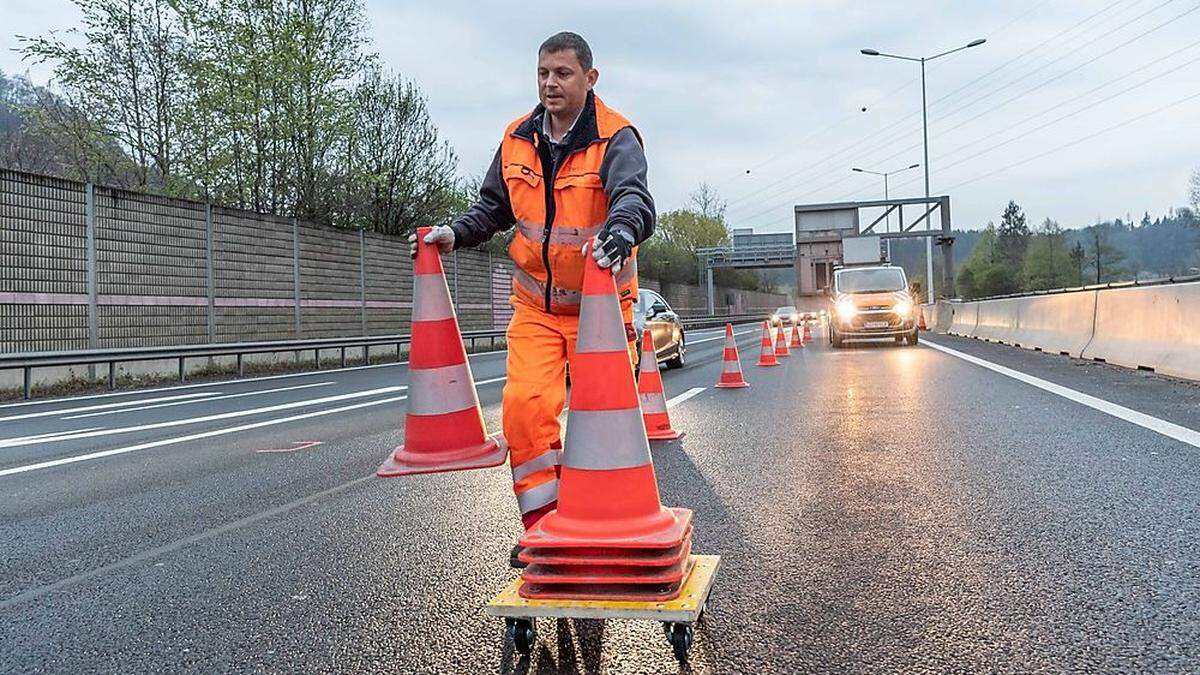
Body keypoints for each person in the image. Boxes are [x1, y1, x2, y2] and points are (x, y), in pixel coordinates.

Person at [409, 31, 655, 567]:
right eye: (543, 73)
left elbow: (634, 198)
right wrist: (454, 233)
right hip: (538, 312)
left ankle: (605, 522)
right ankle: (545, 528)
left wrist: (621, 230)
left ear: (590, 79)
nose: (550, 83)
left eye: (563, 74)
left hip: (602, 315)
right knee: (524, 409)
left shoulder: (617, 138)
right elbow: (492, 209)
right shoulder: (517, 138)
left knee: (603, 423)